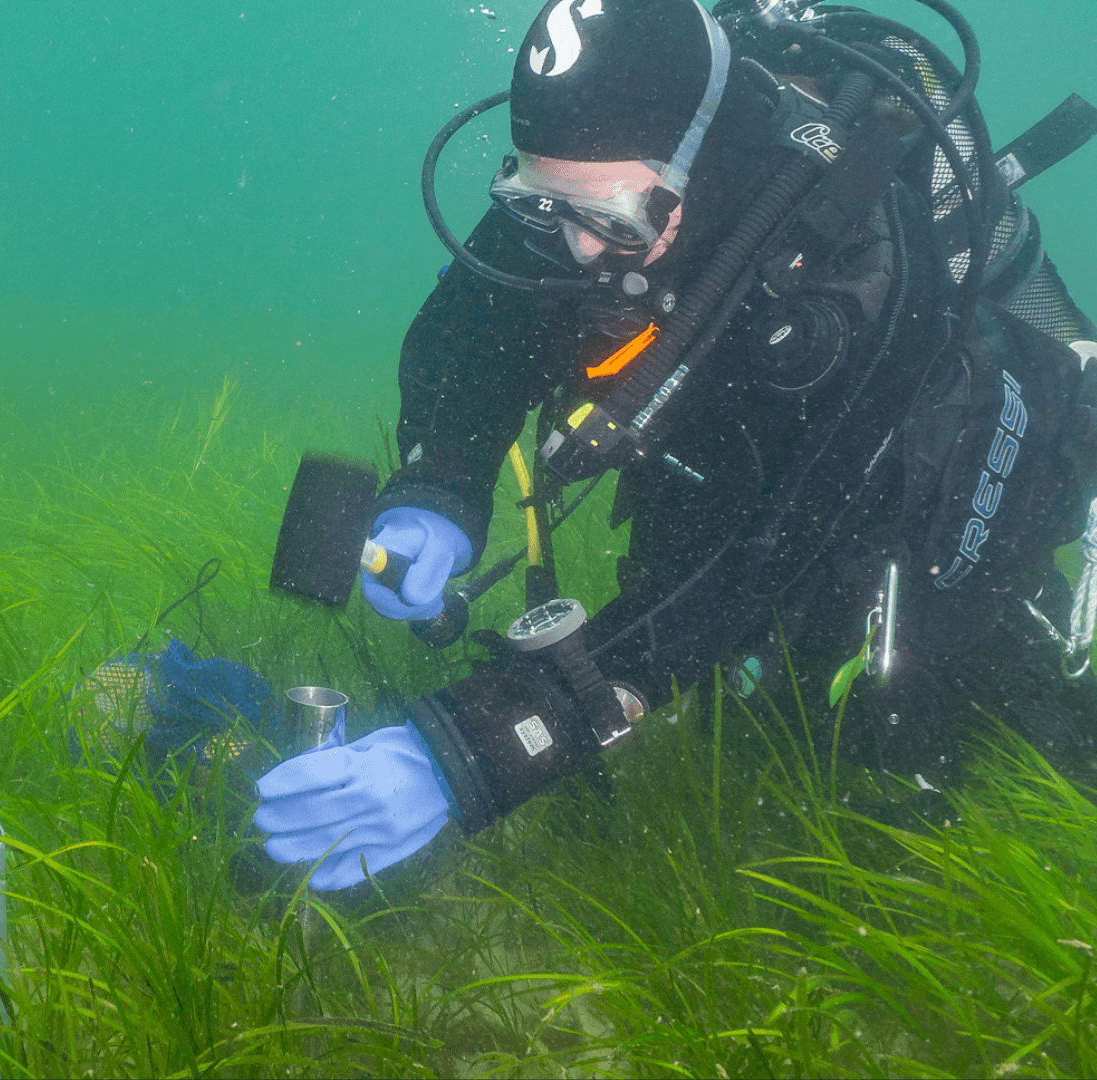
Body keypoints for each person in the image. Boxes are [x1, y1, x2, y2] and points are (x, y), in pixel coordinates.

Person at [254, 0, 1097, 891]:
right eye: (543, 204)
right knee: (741, 752)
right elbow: (472, 335)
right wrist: (442, 486)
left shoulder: (861, 266)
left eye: (613, 219)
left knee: (896, 801)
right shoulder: (578, 189)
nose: (576, 247)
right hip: (713, 476)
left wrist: (477, 747)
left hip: (914, 510)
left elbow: (767, 552)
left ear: (706, 163)